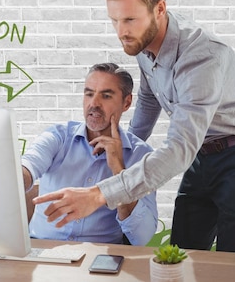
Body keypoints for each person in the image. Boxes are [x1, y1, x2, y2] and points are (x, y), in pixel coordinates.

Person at [34, 0, 235, 254]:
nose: (121, 32)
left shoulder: (202, 59)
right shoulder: (143, 42)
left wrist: (100, 194)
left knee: (234, 260)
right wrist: (124, 143)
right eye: (114, 21)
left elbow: (178, 152)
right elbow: (150, 97)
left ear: (159, 9)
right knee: (181, 251)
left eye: (129, 20)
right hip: (202, 152)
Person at [21, 62, 157, 245]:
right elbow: (28, 166)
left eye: (106, 96)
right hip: (44, 251)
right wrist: (12, 179)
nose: (94, 104)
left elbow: (142, 237)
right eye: (89, 94)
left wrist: (119, 171)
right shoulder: (58, 137)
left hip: (100, 257)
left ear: (126, 102)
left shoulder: (141, 156)